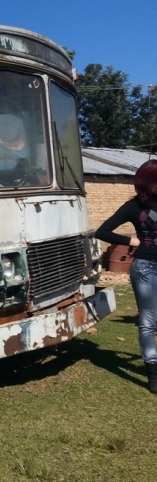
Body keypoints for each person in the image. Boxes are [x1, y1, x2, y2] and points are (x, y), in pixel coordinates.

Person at [96, 159, 157, 394]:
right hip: (145, 268)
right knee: (147, 321)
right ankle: (152, 373)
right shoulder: (132, 207)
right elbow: (102, 231)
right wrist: (131, 240)